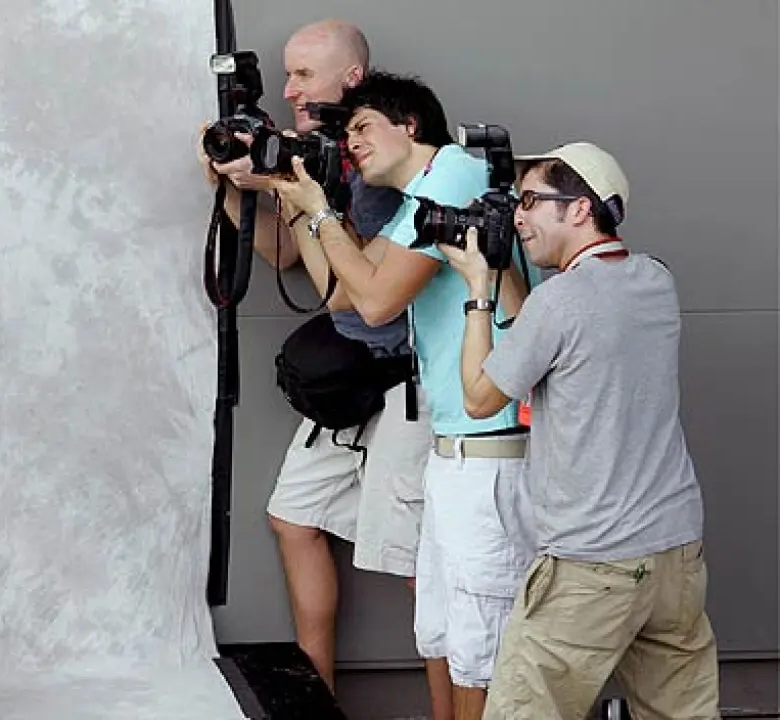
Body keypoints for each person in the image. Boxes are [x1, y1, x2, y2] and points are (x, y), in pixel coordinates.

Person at [269, 70, 537, 720]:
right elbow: (343, 293)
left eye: (363, 127)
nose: (352, 144)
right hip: (456, 442)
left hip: (490, 442)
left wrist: (322, 211)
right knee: (445, 632)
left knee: (479, 643)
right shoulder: (422, 197)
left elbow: (378, 300)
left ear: (409, 125)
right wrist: (302, 205)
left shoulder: (455, 175)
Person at [439, 142, 720, 720]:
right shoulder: (655, 281)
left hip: (592, 564)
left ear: (580, 209)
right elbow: (559, 337)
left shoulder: (560, 302)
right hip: (673, 552)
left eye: (530, 202)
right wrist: (504, 266)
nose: (518, 217)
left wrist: (477, 291)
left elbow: (478, 398)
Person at [195, 20, 433, 697]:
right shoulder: (322, 152)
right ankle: (316, 699)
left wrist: (298, 195)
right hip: (352, 377)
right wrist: (237, 186)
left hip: (405, 380)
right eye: (287, 74)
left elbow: (344, 292)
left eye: (303, 74)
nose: (290, 89)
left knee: (420, 562)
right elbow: (283, 254)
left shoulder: (380, 163)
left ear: (352, 80)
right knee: (293, 517)